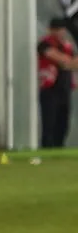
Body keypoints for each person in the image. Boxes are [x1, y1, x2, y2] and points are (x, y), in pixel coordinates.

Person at [37, 18, 78, 148]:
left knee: (63, 124)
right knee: (49, 123)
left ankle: (59, 147)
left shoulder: (68, 46)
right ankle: (47, 148)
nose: (61, 32)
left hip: (65, 88)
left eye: (62, 29)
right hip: (50, 89)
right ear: (51, 30)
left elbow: (72, 63)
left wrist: (67, 63)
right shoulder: (44, 44)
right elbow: (57, 57)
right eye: (57, 30)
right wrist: (67, 62)